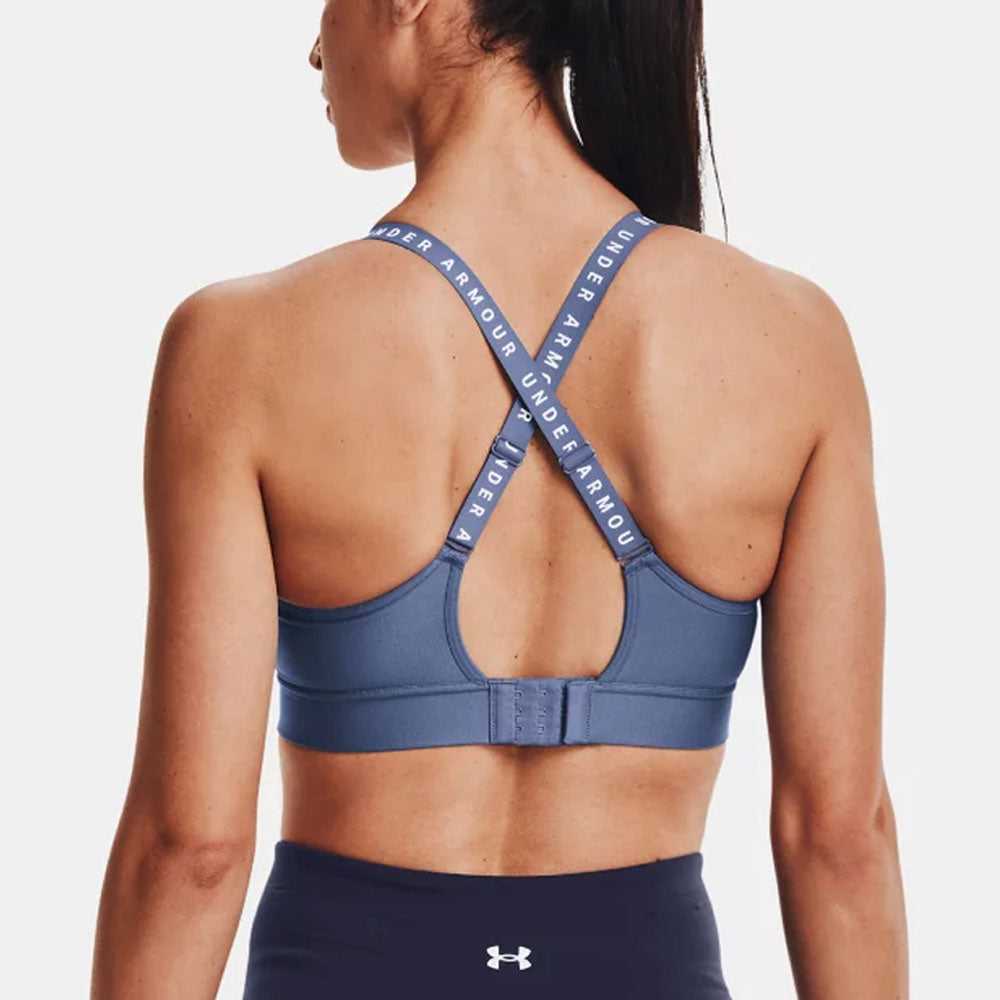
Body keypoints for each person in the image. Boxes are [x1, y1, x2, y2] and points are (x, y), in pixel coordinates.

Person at [91, 1, 908, 997]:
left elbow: (189, 850)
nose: (314, 42)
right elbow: (838, 837)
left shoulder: (241, 346)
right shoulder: (790, 340)